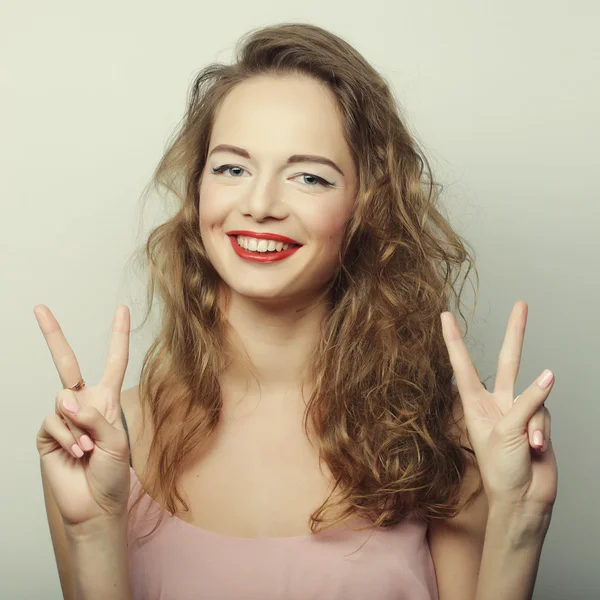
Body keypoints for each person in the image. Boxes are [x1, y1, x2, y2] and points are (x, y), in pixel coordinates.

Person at [35, 22, 557, 600]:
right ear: (198, 191)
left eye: (309, 176)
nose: (259, 205)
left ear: (367, 207)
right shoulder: (102, 442)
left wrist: (522, 518)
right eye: (232, 168)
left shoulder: (448, 438)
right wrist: (91, 534)